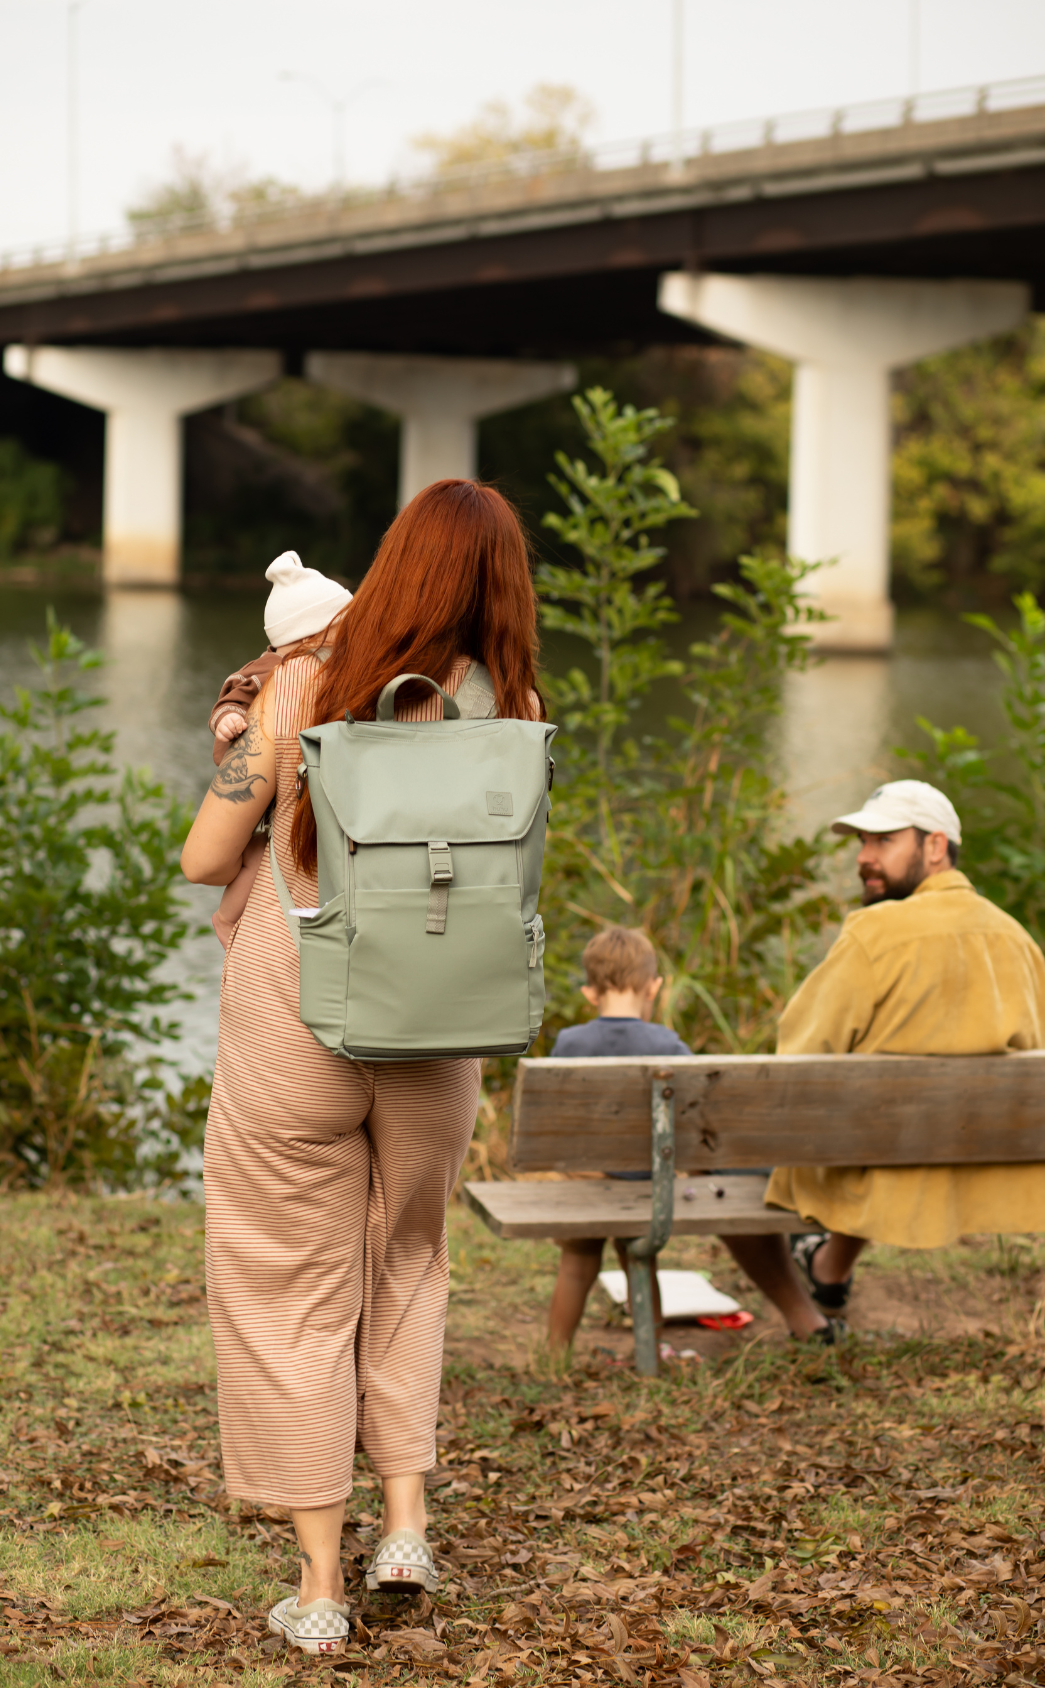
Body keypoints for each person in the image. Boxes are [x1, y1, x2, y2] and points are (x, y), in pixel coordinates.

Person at [180, 480, 543, 1657]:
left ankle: (321, 1584)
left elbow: (202, 858)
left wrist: (239, 748)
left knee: (290, 1284)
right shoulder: (513, 702)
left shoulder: (300, 685)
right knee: (410, 1256)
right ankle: (404, 1525)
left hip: (297, 1018)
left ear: (393, 564)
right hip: (440, 1022)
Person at [728, 779, 1045, 1340]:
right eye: (862, 844)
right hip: (982, 1170)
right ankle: (829, 1271)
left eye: (882, 842)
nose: (864, 859)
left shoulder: (875, 933)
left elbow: (798, 1058)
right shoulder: (1018, 939)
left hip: (878, 1167)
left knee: (719, 1157)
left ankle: (806, 1319)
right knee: (893, 1127)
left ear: (935, 846)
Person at [546, 926, 691, 1351]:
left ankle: (555, 1352)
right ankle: (653, 1351)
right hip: (645, 1186)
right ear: (654, 987)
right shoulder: (668, 1044)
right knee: (641, 1261)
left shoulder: (570, 1044)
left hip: (584, 1184)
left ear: (590, 992)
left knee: (575, 1266)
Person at [207, 551, 352, 950]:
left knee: (266, 855)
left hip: (291, 783)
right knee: (256, 856)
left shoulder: (334, 666)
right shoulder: (271, 667)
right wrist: (228, 718)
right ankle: (224, 920)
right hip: (260, 777)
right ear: (306, 636)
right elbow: (234, 693)